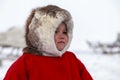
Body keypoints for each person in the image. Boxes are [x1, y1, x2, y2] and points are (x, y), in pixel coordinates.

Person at [4, 5, 93, 80]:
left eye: (65, 32)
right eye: (55, 31)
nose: (62, 36)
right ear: (40, 34)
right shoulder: (26, 63)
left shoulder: (71, 59)